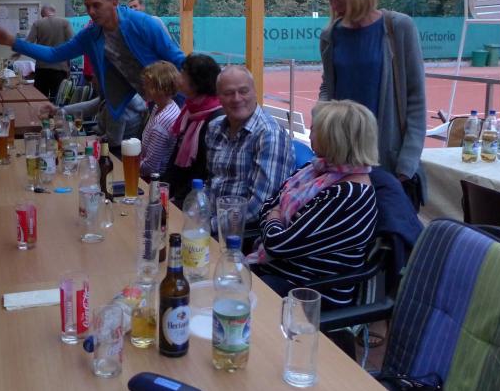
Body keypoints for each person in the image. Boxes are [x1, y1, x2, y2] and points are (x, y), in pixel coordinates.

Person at [0, 0, 184, 122]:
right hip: (143, 102)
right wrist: (13, 42)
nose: (91, 11)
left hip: (174, 98)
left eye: (96, 5)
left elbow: (177, 58)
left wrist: (197, 94)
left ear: (114, 2)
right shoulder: (91, 35)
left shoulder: (143, 23)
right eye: (87, 6)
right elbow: (54, 54)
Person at [319, 0, 426, 209]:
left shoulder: (399, 27)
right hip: (343, 161)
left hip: (389, 163)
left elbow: (416, 98)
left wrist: (406, 165)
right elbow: (328, 86)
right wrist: (320, 116)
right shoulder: (330, 35)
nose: (333, 6)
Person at [250, 100, 379, 309]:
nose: (310, 135)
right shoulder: (316, 170)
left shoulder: (348, 195)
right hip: (280, 275)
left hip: (311, 293)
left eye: (316, 130)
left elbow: (278, 244)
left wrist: (275, 215)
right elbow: (268, 205)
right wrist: (274, 216)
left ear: (335, 139)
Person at [205, 65, 294, 228]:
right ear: (219, 98)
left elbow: (259, 206)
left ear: (255, 92)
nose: (237, 98)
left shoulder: (270, 135)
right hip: (209, 221)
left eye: (243, 91)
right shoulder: (214, 128)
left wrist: (209, 226)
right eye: (228, 93)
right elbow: (211, 182)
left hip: (241, 233)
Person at [161, 54, 223, 207]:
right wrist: (162, 189)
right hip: (177, 192)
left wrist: (176, 200)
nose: (178, 77)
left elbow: (202, 170)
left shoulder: (215, 119)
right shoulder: (190, 109)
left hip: (193, 199)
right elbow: (176, 156)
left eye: (183, 74)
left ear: (196, 83)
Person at [139, 61, 180, 178]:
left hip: (155, 181)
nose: (144, 87)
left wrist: (129, 161)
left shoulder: (161, 122)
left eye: (148, 84)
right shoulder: (161, 106)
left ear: (161, 88)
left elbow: (150, 168)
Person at [25, 4, 74, 97]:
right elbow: (72, 44)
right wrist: (68, 66)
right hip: (60, 68)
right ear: (54, 12)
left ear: (42, 14)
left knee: (40, 99)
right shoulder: (65, 23)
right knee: (57, 98)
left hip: (42, 68)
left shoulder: (37, 23)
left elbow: (28, 44)